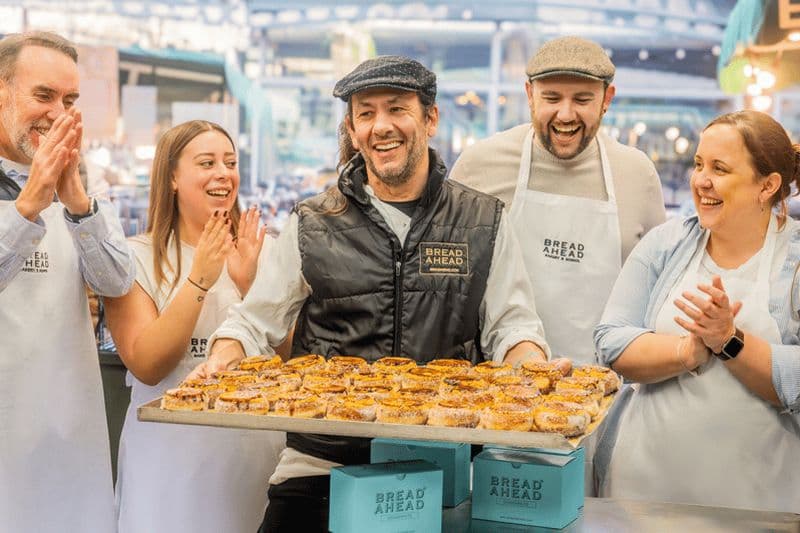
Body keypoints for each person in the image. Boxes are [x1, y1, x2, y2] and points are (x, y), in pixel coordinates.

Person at [188, 55, 555, 532]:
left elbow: (512, 324)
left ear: (430, 118)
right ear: (352, 127)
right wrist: (223, 355)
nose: (381, 126)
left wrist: (531, 369)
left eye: (397, 108)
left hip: (440, 468)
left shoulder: (482, 221)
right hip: (321, 465)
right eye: (366, 113)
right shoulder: (313, 223)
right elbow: (254, 321)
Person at [594, 110, 800, 512]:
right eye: (698, 164)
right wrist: (687, 351)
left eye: (719, 168)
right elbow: (612, 342)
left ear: (767, 186)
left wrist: (728, 340)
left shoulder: (794, 262)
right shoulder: (665, 243)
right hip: (643, 488)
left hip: (761, 501)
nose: (700, 181)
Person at [104, 120, 285, 533]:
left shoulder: (264, 250)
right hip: (167, 470)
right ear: (171, 177)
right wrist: (200, 279)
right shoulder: (135, 258)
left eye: (231, 162)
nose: (223, 173)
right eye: (207, 163)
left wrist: (251, 286)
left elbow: (297, 359)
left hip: (254, 461)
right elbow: (148, 363)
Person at [450, 36, 665, 363]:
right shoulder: (479, 164)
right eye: (551, 98)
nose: (565, 115)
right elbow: (449, 283)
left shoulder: (637, 174)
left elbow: (656, 292)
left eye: (582, 99)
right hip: (500, 391)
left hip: (605, 390)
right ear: (529, 95)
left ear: (607, 99)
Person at [0, 31, 135, 532]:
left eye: (70, 101)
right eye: (43, 96)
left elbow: (118, 282)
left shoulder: (81, 185)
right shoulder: (34, 193)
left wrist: (77, 201)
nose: (58, 114)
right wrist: (29, 204)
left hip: (71, 434)